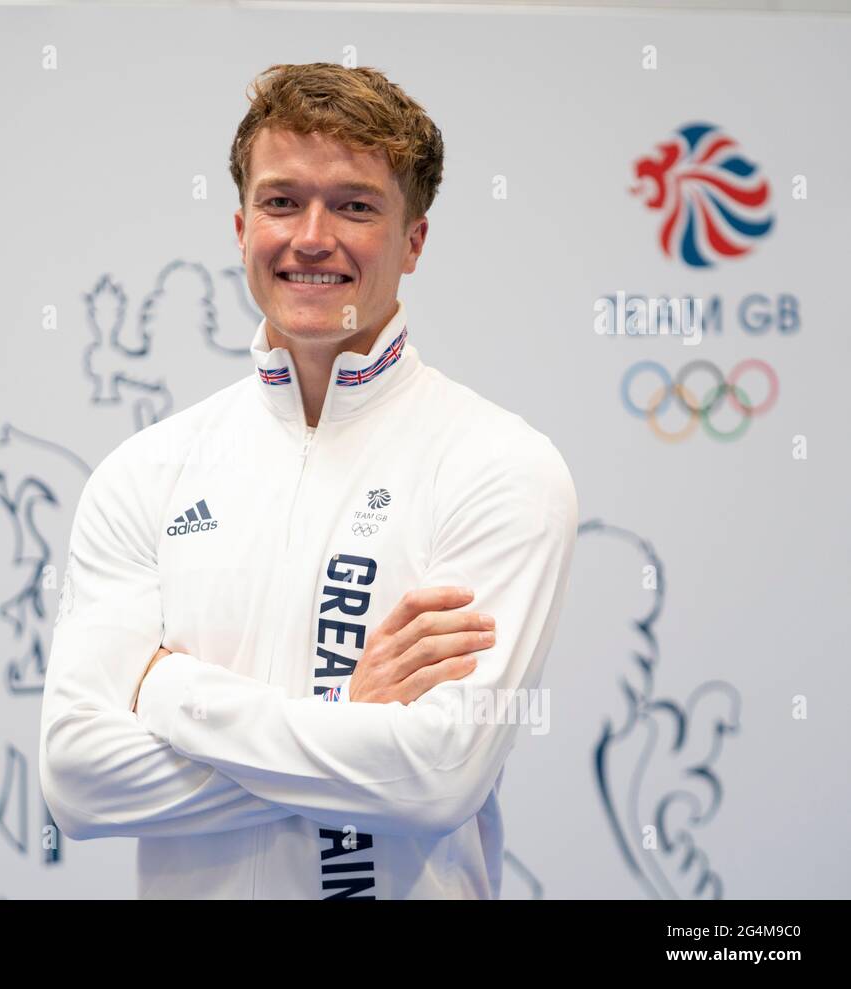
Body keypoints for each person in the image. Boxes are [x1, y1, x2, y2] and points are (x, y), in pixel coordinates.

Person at [39, 62, 578, 899]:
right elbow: (78, 779)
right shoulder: (144, 474)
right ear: (241, 224)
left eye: (356, 205)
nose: (312, 236)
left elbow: (436, 779)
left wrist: (170, 688)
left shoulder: (500, 466)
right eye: (282, 201)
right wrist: (352, 723)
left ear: (415, 239)